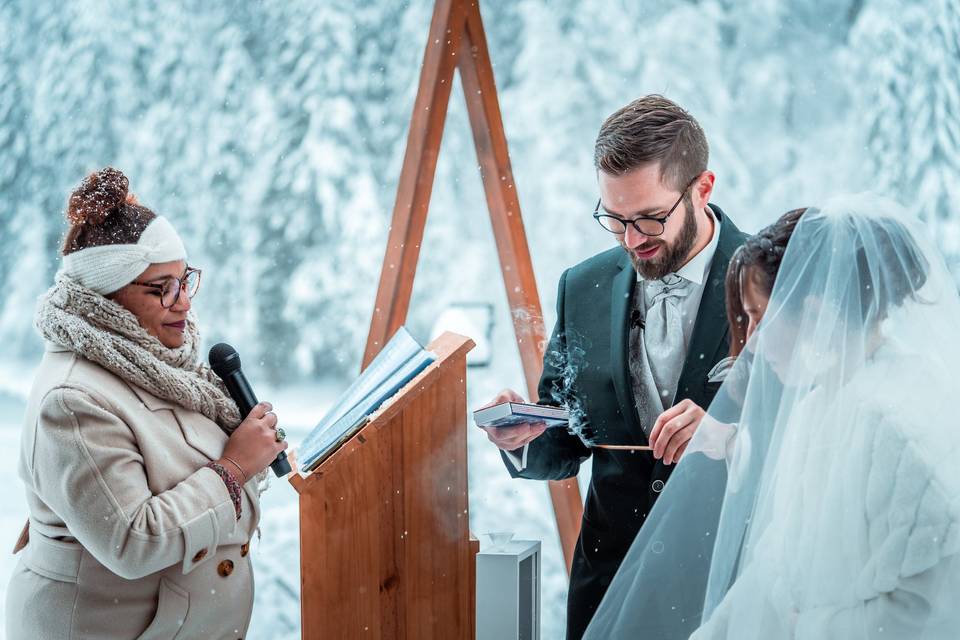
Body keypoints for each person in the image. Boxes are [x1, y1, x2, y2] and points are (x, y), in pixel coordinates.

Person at [586, 195, 960, 639]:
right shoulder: (815, 406)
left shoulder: (899, 433)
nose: (754, 342)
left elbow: (933, 610)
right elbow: (774, 572)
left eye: (758, 317)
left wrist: (810, 628)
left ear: (818, 313)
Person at [479, 95, 748, 639]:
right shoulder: (583, 287)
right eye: (615, 219)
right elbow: (569, 437)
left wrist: (731, 435)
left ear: (703, 188)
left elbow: (814, 438)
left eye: (650, 218)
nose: (631, 241)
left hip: (732, 582)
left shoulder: (772, 279)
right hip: (609, 587)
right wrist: (525, 438)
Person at [5, 168, 288, 639]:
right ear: (108, 297)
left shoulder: (159, 366)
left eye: (185, 280)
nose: (184, 304)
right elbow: (133, 540)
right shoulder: (72, 400)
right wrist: (234, 468)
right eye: (163, 288)